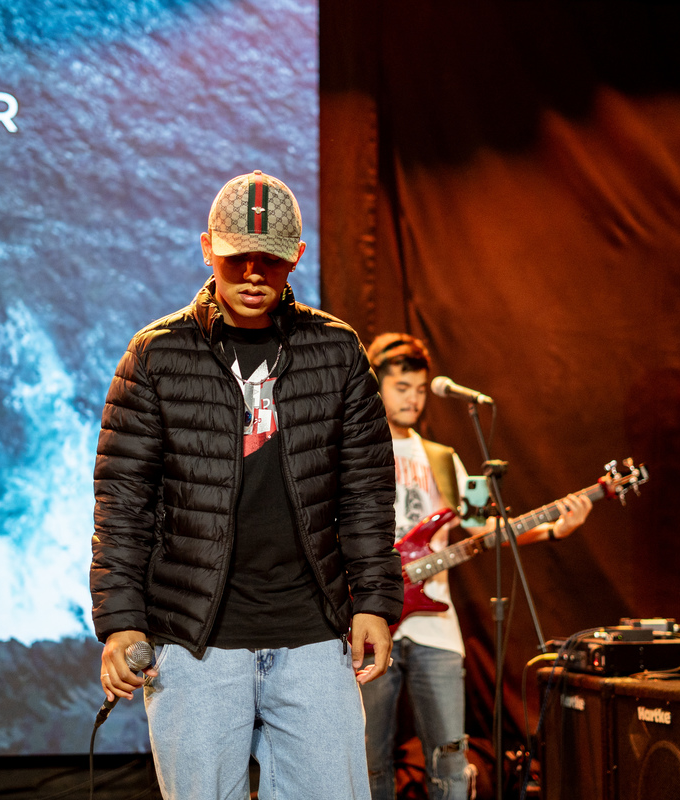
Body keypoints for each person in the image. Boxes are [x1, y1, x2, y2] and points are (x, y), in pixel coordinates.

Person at [90, 170, 402, 800]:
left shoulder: (336, 351)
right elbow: (123, 503)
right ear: (208, 248)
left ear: (297, 259)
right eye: (237, 258)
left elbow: (365, 491)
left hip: (315, 635)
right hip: (193, 644)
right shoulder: (156, 354)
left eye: (270, 260)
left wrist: (373, 601)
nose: (253, 274)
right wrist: (121, 622)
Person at [360, 333, 592, 800]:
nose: (413, 398)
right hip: (369, 620)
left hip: (436, 627)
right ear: (377, 385)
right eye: (402, 386)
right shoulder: (355, 449)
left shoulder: (444, 459)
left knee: (450, 758)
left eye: (420, 388)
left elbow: (484, 528)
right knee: (368, 762)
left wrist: (551, 529)